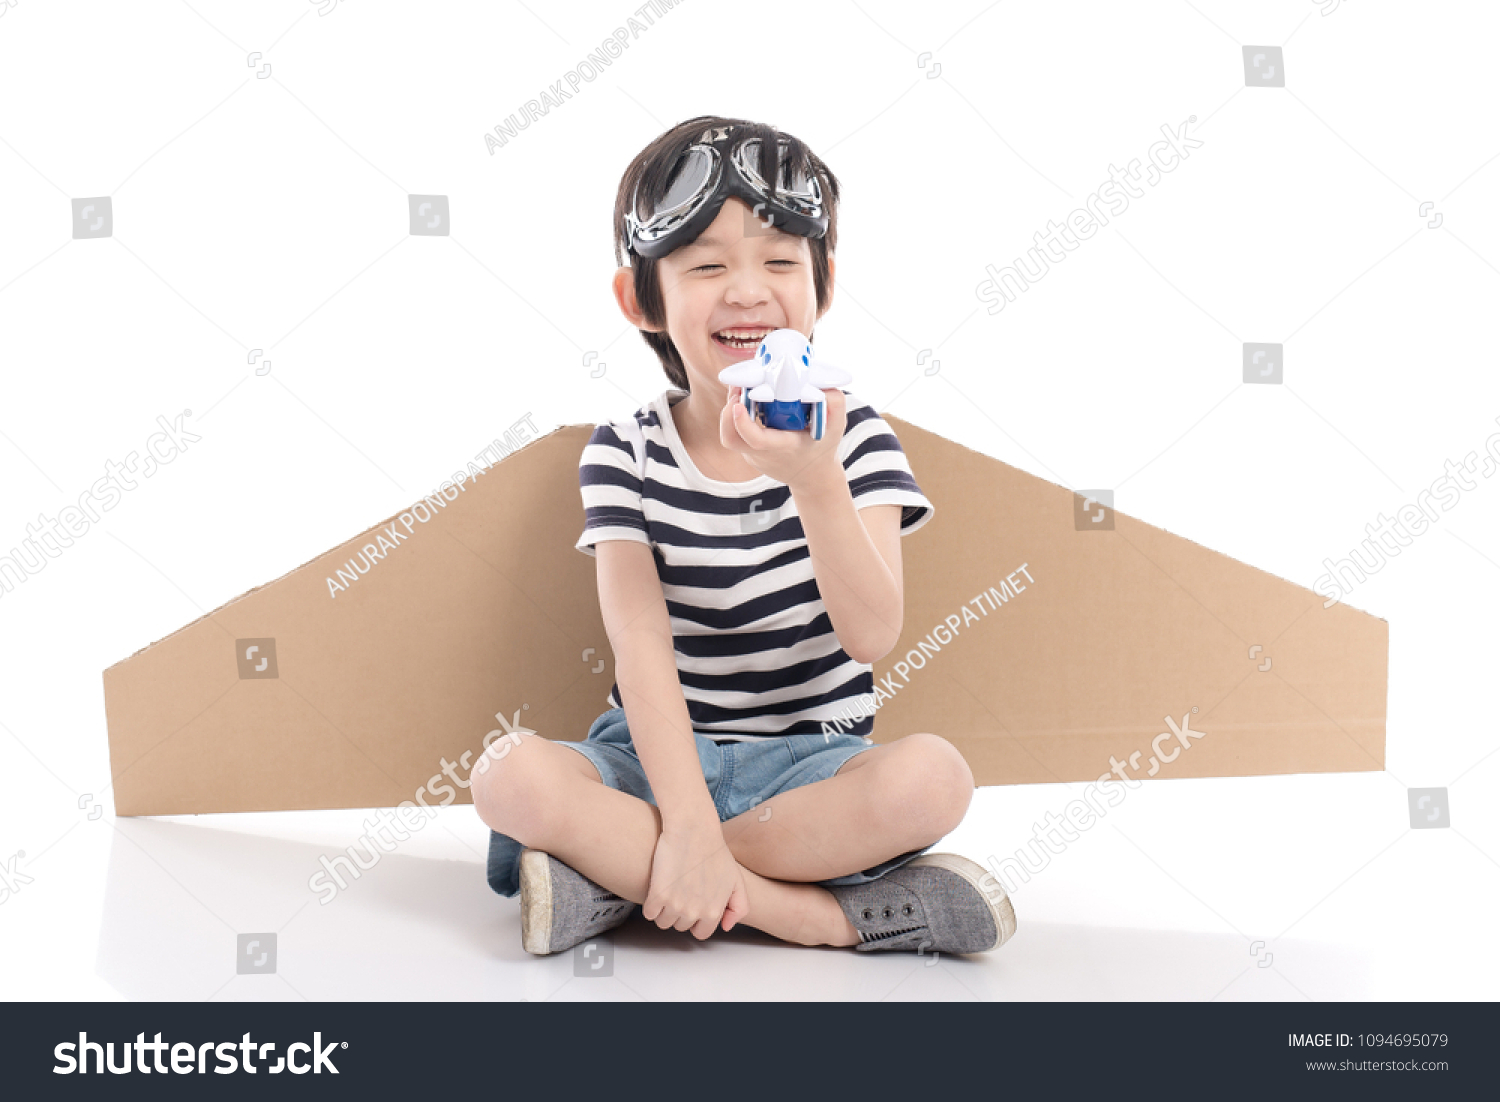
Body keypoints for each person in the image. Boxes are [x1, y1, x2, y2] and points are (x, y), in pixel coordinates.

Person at [471, 115, 1015, 959]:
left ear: (823, 285)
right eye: (707, 265)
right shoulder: (626, 449)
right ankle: (817, 916)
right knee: (507, 775)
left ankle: (624, 884)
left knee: (934, 778)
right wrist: (684, 816)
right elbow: (639, 639)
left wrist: (814, 478)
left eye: (779, 260)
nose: (748, 290)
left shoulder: (857, 440)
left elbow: (871, 634)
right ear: (639, 300)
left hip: (810, 770)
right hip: (651, 764)